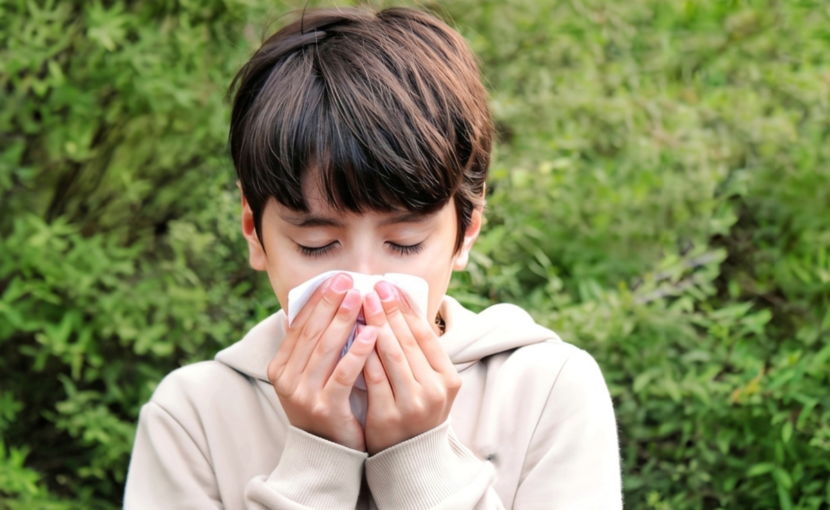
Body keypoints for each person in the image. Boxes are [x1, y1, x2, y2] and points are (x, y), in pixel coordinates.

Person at [123, 6, 622, 509]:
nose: (363, 283)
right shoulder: (193, 416)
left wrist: (419, 460)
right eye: (315, 245)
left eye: (405, 242)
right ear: (255, 231)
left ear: (466, 232)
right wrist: (316, 464)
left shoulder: (547, 391)